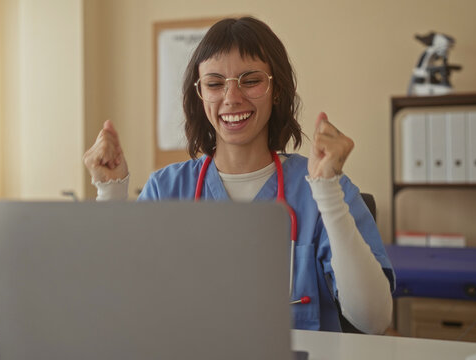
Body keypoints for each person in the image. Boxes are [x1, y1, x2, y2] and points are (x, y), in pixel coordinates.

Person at [83, 16, 394, 334]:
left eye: (251, 80)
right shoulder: (166, 189)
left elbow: (374, 320)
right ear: (200, 95)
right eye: (215, 83)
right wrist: (110, 194)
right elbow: (116, 308)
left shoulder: (324, 186)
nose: (231, 98)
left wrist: (328, 193)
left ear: (276, 89)